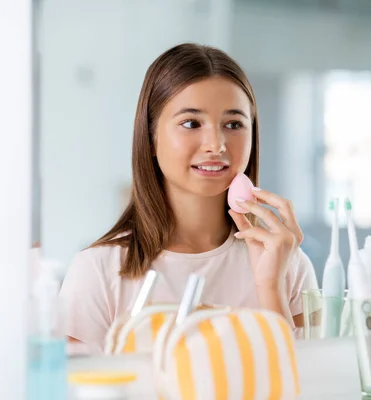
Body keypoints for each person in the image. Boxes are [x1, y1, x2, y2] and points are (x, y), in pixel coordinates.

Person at [58, 43, 318, 354]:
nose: (216, 145)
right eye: (191, 123)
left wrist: (270, 287)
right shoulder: (99, 270)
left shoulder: (285, 262)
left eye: (233, 124)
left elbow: (303, 385)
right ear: (151, 138)